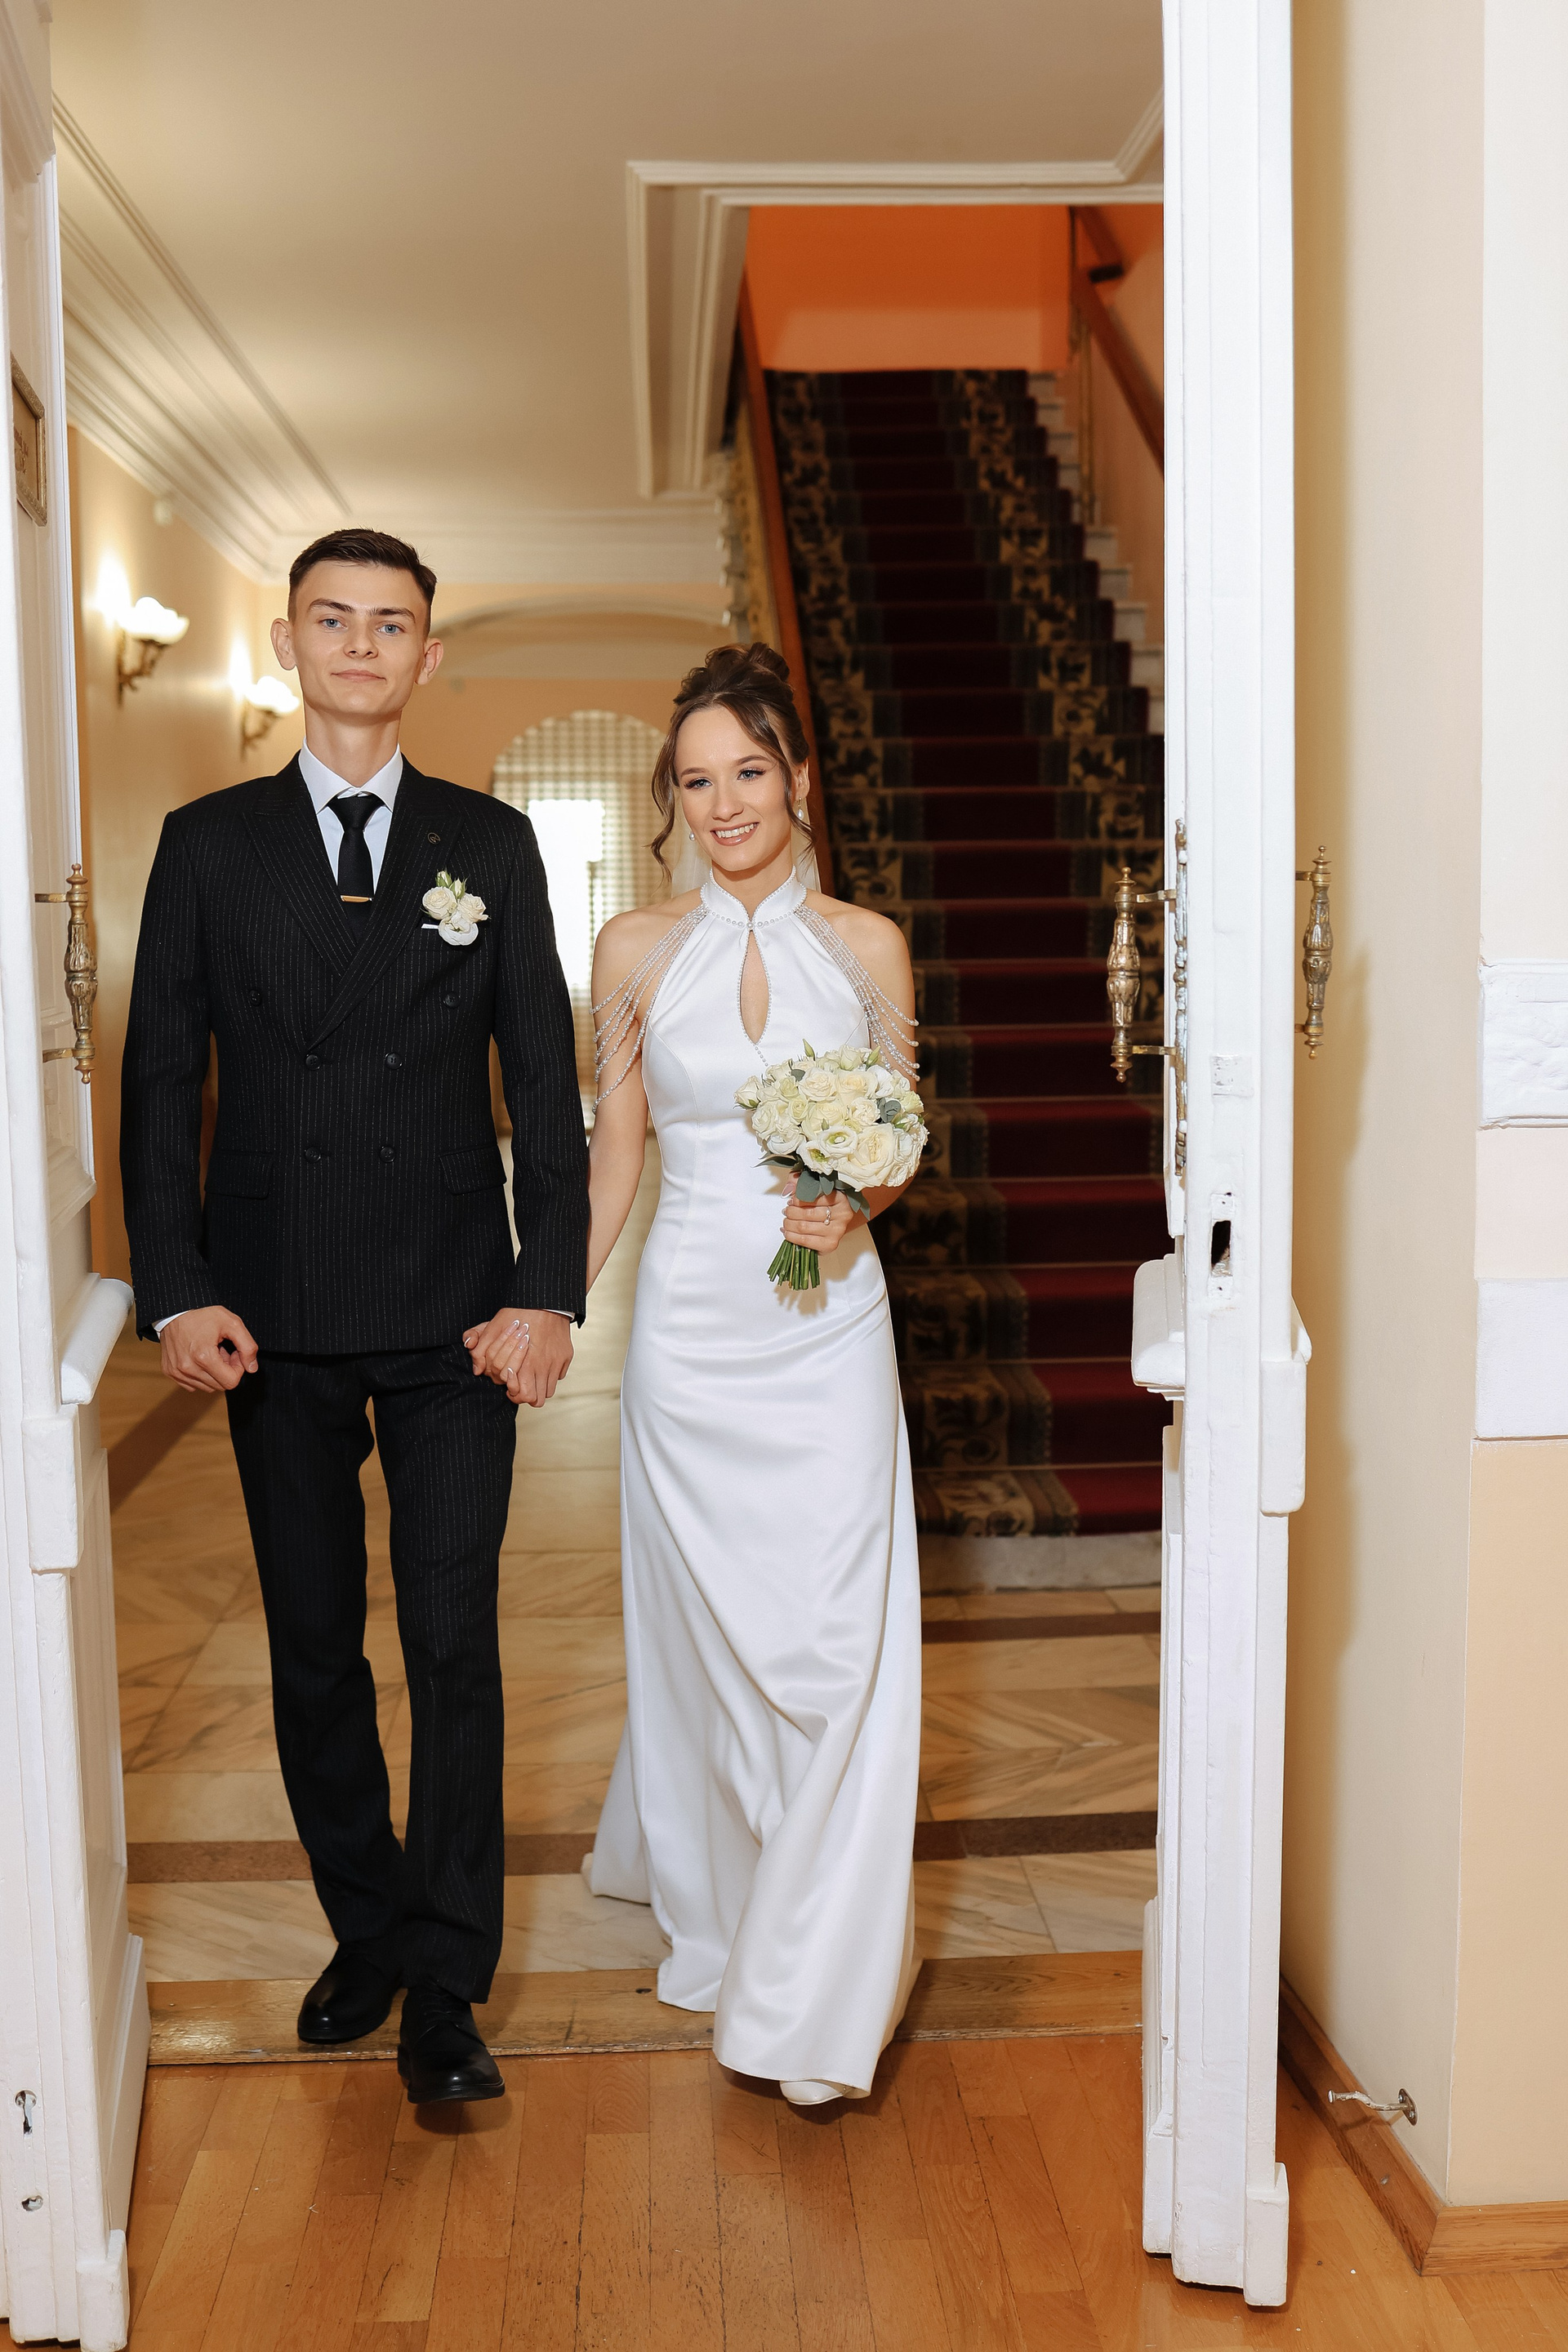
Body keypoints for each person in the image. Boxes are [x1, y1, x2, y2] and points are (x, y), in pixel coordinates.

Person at [120, 528, 588, 2105]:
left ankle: (446, 1985)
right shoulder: (206, 843)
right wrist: (175, 1286)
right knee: (316, 1647)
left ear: (428, 657)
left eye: (393, 624)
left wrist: (546, 1287)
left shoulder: (491, 843)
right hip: (273, 1311)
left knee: (453, 1647)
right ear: (288, 643)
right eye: (334, 619)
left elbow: (545, 1082)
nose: (364, 645)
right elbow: (161, 1078)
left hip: (457, 1314)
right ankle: (367, 1926)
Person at [582, 643, 922, 2103]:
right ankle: (738, 1906)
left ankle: (819, 1981)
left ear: (798, 779)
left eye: (749, 771)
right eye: (696, 779)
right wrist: (544, 1306)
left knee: (835, 1644)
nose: (723, 803)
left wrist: (858, 1201)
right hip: (692, 1336)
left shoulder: (869, 946)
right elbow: (616, 1155)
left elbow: (902, 1138)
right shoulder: (631, 950)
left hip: (829, 1328)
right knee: (716, 1643)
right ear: (673, 797)